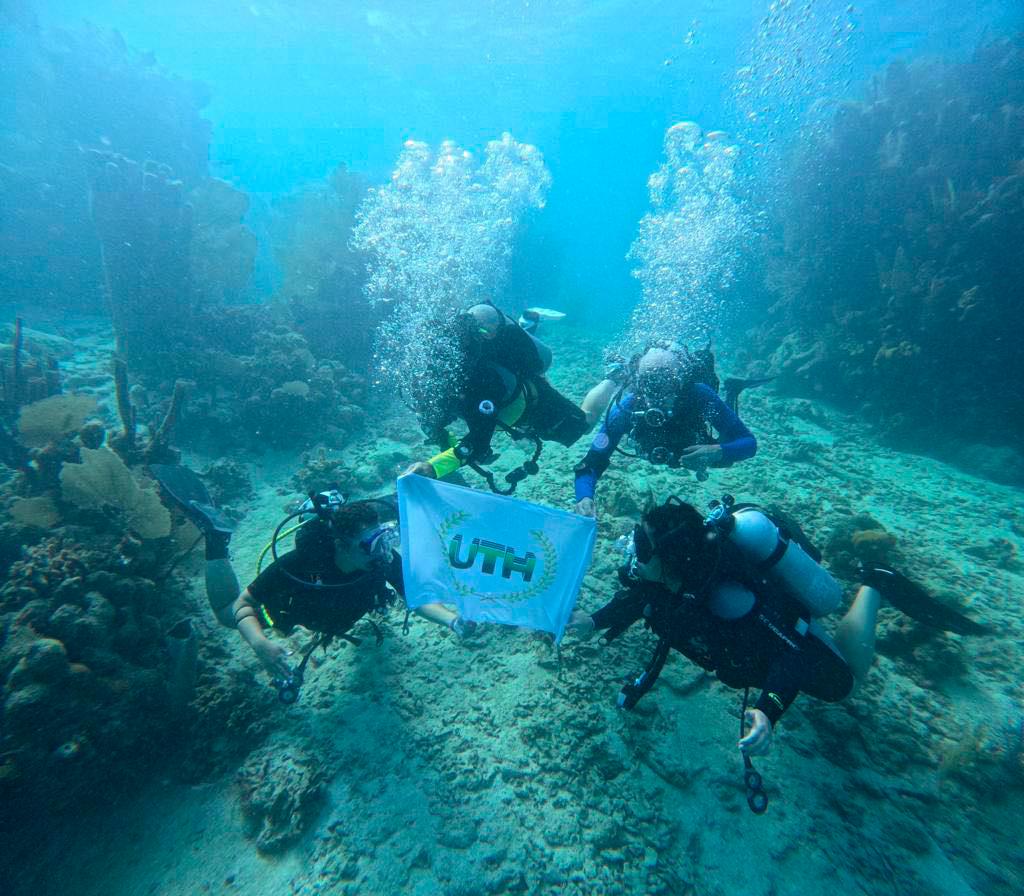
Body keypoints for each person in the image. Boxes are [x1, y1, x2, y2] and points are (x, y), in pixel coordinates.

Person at [568, 496, 987, 756]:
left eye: (642, 545)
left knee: (846, 685)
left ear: (672, 560)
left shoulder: (730, 600)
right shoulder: (674, 576)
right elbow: (643, 597)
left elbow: (793, 655)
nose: (632, 549)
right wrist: (593, 620)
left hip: (783, 631)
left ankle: (875, 582)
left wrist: (768, 712)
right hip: (752, 640)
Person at [151, 465, 469, 700]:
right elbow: (244, 604)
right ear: (341, 545)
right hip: (294, 609)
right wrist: (259, 644)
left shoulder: (381, 559)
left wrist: (452, 621)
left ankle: (417, 489)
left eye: (385, 539)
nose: (382, 551)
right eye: (371, 544)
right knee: (225, 613)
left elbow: (416, 598)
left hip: (338, 612)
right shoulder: (303, 563)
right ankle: (216, 539)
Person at [406, 302, 618, 489]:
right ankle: (527, 324)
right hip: (507, 404)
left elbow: (478, 443)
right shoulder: (438, 381)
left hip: (533, 403)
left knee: (586, 424)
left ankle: (614, 376)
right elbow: (444, 431)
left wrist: (433, 467)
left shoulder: (481, 383)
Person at [573, 342, 759, 518]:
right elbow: (591, 462)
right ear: (639, 383)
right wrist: (584, 497)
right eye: (650, 383)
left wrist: (718, 451)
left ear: (681, 381)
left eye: (667, 382)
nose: (658, 394)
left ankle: (732, 391)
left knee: (725, 461)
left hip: (697, 443)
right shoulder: (627, 407)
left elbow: (748, 443)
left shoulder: (699, 395)